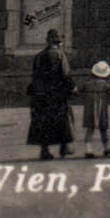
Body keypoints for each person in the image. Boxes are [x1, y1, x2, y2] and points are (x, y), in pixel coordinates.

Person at [25, 28, 76, 160]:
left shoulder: (39, 56)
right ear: (58, 42)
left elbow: (35, 75)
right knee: (62, 119)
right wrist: (72, 87)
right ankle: (63, 147)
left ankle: (45, 150)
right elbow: (66, 74)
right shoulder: (60, 55)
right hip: (58, 93)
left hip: (41, 95)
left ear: (48, 41)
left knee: (43, 121)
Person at [81, 59, 110, 158]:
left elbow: (80, 91)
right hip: (101, 109)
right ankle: (106, 148)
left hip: (89, 109)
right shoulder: (104, 84)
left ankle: (88, 150)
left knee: (90, 129)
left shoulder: (87, 83)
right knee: (103, 129)